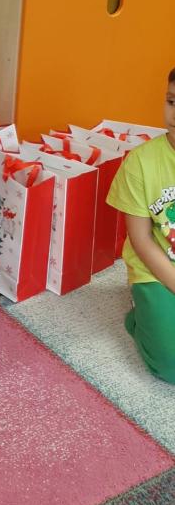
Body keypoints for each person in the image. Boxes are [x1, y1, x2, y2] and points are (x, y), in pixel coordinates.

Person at [106, 68, 175, 383]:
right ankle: (138, 317)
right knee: (169, 366)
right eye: (171, 102)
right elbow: (141, 240)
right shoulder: (141, 162)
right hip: (157, 270)